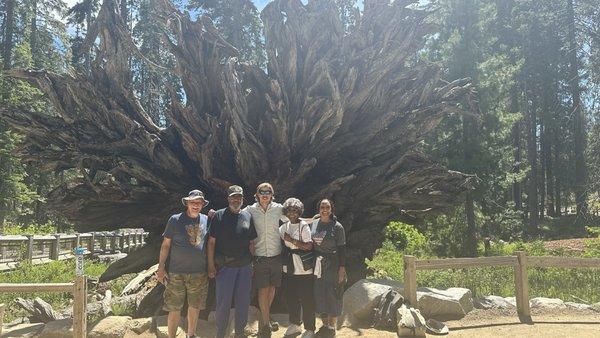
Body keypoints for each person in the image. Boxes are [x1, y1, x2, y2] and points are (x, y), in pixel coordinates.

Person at [157, 189, 210, 338]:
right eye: (193, 202)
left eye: (199, 203)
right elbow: (166, 245)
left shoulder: (207, 219)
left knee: (195, 306)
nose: (196, 205)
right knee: (174, 308)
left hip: (198, 272)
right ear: (187, 203)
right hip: (176, 272)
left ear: (202, 205)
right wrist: (161, 267)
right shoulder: (175, 220)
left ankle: (191, 334)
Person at [207, 185, 257, 338]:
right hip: (225, 267)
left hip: (245, 267)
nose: (236, 199)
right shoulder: (219, 216)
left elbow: (251, 243)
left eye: (239, 197)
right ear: (228, 198)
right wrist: (210, 265)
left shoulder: (248, 216)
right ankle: (221, 333)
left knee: (243, 301)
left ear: (243, 199)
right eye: (233, 197)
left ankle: (240, 333)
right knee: (223, 302)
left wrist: (252, 263)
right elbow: (211, 242)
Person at [244, 182, 286, 338]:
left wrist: (315, 219)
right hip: (260, 256)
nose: (265, 195)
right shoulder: (250, 210)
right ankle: (266, 324)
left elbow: (294, 217)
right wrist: (215, 214)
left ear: (271, 195)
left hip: (276, 255)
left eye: (268, 193)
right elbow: (235, 214)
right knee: (263, 290)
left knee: (272, 289)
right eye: (262, 193)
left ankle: (264, 318)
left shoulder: (278, 209)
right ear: (257, 195)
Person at [279, 198, 316, 338]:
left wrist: (292, 241)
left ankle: (310, 328)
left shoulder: (304, 226)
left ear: (299, 211)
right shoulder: (284, 227)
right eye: (289, 210)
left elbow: (308, 245)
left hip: (303, 268)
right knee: (291, 297)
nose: (292, 213)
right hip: (289, 267)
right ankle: (295, 324)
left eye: (295, 210)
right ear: (286, 212)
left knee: (307, 298)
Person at [311, 199, 346, 338]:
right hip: (318, 264)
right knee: (320, 294)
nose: (324, 209)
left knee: (333, 295)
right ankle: (324, 325)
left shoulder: (337, 227)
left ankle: (332, 327)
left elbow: (342, 249)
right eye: (322, 207)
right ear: (318, 209)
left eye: (327, 207)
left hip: (333, 264)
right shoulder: (314, 223)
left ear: (331, 209)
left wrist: (342, 268)